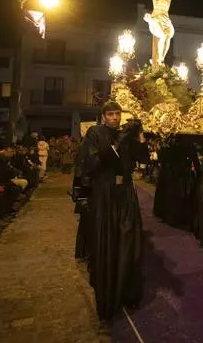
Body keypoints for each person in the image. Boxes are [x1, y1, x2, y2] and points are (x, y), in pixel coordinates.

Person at [76, 101, 148, 322]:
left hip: (125, 191)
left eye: (118, 113)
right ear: (103, 116)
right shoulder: (95, 133)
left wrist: (139, 137)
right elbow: (91, 163)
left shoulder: (125, 134)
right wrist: (115, 147)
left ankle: (128, 291)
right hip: (104, 192)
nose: (115, 117)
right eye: (111, 114)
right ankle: (109, 295)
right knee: (108, 241)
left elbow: (142, 159)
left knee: (129, 238)